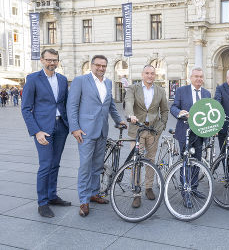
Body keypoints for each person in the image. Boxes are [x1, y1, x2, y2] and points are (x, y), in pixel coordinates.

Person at [67, 55, 126, 217]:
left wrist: (119, 120)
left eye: (104, 66)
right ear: (91, 65)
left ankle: (94, 193)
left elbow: (110, 105)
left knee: (98, 165)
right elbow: (72, 105)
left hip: (102, 131)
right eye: (98, 65)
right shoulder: (80, 81)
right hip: (85, 132)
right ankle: (84, 200)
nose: (101, 68)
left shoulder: (107, 82)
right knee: (85, 166)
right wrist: (75, 128)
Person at [21, 48, 71, 218]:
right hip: (43, 130)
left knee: (55, 163)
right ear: (42, 60)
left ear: (58, 61)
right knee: (45, 165)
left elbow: (65, 104)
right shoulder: (33, 79)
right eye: (49, 60)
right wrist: (36, 132)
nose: (52, 63)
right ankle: (42, 203)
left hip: (61, 128)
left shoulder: (63, 80)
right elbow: (26, 109)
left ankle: (52, 195)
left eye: (55, 60)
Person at [125, 65, 169, 208]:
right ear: (142, 74)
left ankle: (148, 187)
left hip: (153, 130)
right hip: (137, 129)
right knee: (136, 160)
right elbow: (129, 102)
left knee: (151, 159)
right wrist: (130, 115)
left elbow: (165, 110)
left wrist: (161, 126)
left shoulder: (160, 90)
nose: (150, 76)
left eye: (152, 73)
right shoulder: (133, 88)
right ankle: (136, 193)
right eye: (147, 73)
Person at [170, 67, 211, 208]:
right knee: (185, 162)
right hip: (185, 132)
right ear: (190, 78)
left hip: (200, 133)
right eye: (196, 76)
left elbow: (209, 113)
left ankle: (193, 188)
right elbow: (173, 107)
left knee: (197, 161)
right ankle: (185, 191)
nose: (199, 79)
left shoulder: (206, 93)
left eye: (201, 76)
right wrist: (179, 112)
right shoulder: (182, 91)